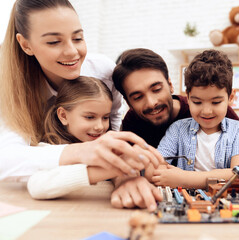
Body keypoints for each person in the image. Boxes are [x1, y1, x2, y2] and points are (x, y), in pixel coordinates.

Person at [0, 0, 163, 209]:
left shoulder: (103, 71)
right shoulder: (12, 88)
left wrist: (125, 176)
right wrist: (83, 151)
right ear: (25, 45)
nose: (72, 52)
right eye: (53, 42)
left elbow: (112, 130)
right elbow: (6, 160)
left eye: (78, 38)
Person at [111, 48, 239, 207]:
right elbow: (146, 168)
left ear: (170, 85)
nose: (207, 110)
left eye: (156, 89)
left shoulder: (234, 126)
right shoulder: (168, 128)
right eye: (138, 97)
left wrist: (183, 178)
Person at [147, 49, 239, 189]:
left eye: (216, 102)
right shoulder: (177, 129)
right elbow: (156, 167)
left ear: (231, 98)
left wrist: (184, 179)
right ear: (187, 98)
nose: (206, 111)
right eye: (197, 102)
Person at [27, 76, 125, 199]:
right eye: (90, 117)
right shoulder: (47, 149)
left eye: (105, 117)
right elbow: (37, 187)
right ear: (63, 115)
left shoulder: (110, 147)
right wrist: (112, 169)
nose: (100, 127)